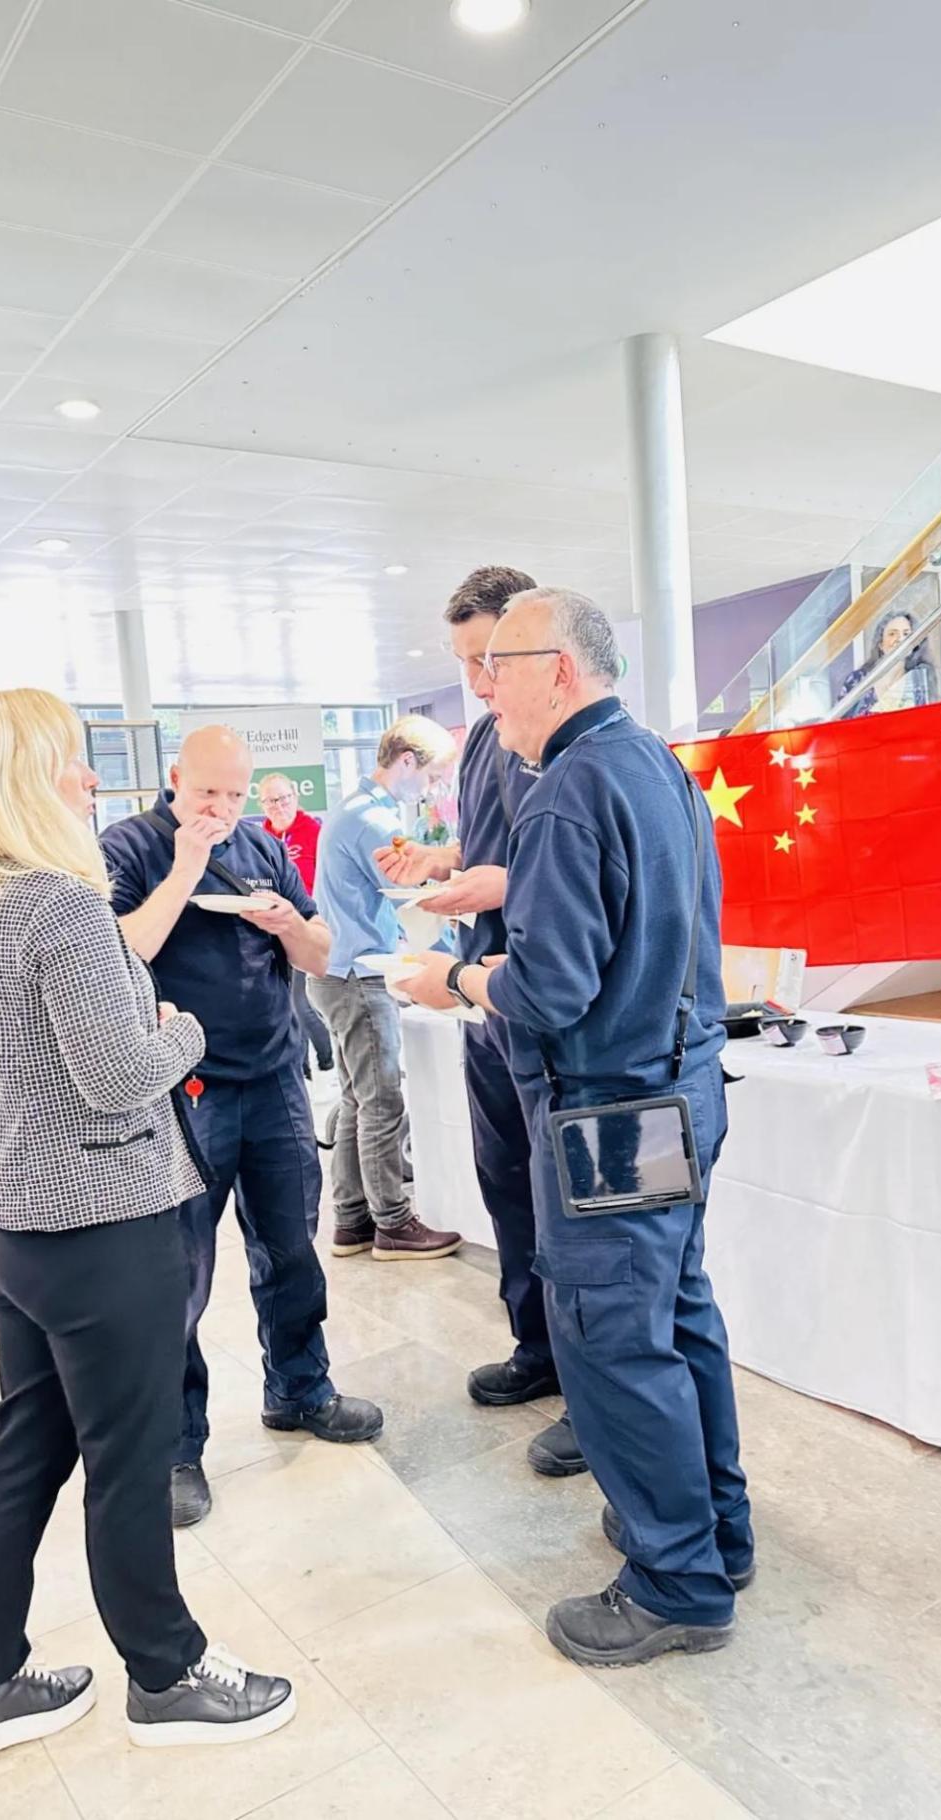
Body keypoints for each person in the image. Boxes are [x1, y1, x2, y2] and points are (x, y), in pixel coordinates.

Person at [401, 590, 754, 1669]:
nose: (483, 691)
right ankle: (714, 1529)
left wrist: (453, 978)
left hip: (610, 1107)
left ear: (556, 667)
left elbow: (548, 989)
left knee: (612, 1337)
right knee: (676, 1311)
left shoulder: (565, 790)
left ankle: (675, 1582)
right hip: (677, 1084)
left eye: (496, 666)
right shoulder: (652, 765)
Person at [0, 689, 295, 1763]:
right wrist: (180, 1030)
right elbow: (115, 1077)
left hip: (8, 1221)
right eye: (72, 759)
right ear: (26, 775)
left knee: (28, 1445)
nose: (90, 777)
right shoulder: (58, 903)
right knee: (130, 1456)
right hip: (102, 1226)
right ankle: (167, 1671)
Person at [100, 726, 382, 1531]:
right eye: (206, 792)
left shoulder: (263, 847)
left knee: (291, 1248)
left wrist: (286, 923)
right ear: (174, 778)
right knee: (177, 1273)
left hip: (275, 1078)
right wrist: (186, 868)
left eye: (234, 793)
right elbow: (118, 956)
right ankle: (174, 1446)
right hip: (181, 1090)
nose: (221, 808)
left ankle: (300, 1388)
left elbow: (321, 953)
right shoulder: (129, 847)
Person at [377, 567, 587, 1480]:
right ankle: (536, 1346)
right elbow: (495, 847)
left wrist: (493, 891)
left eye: (490, 659)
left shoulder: (571, 754)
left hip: (533, 999)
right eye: (465, 661)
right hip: (483, 999)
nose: (477, 680)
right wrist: (444, 861)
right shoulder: (488, 744)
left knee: (565, 1207)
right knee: (507, 1183)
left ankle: (590, 1391)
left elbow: (563, 877)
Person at [311, 716, 463, 1261]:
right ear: (406, 761)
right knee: (381, 1102)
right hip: (359, 976)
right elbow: (417, 887)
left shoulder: (351, 808)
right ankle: (393, 1223)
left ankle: (352, 1219)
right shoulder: (373, 820)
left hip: (335, 972)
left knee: (357, 1101)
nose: (432, 790)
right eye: (432, 777)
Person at [259, 773, 334, 1080]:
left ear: (296, 797)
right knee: (285, 1005)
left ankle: (328, 1060)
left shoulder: (314, 831)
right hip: (270, 932)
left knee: (301, 1003)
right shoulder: (260, 838)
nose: (278, 806)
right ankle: (301, 1068)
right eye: (271, 801)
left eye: (284, 798)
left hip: (306, 928)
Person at [837, 608, 937, 717]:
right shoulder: (857, 680)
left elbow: (929, 718)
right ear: (880, 643)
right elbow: (840, 721)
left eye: (906, 634)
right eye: (892, 634)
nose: (900, 639)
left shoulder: (920, 679)